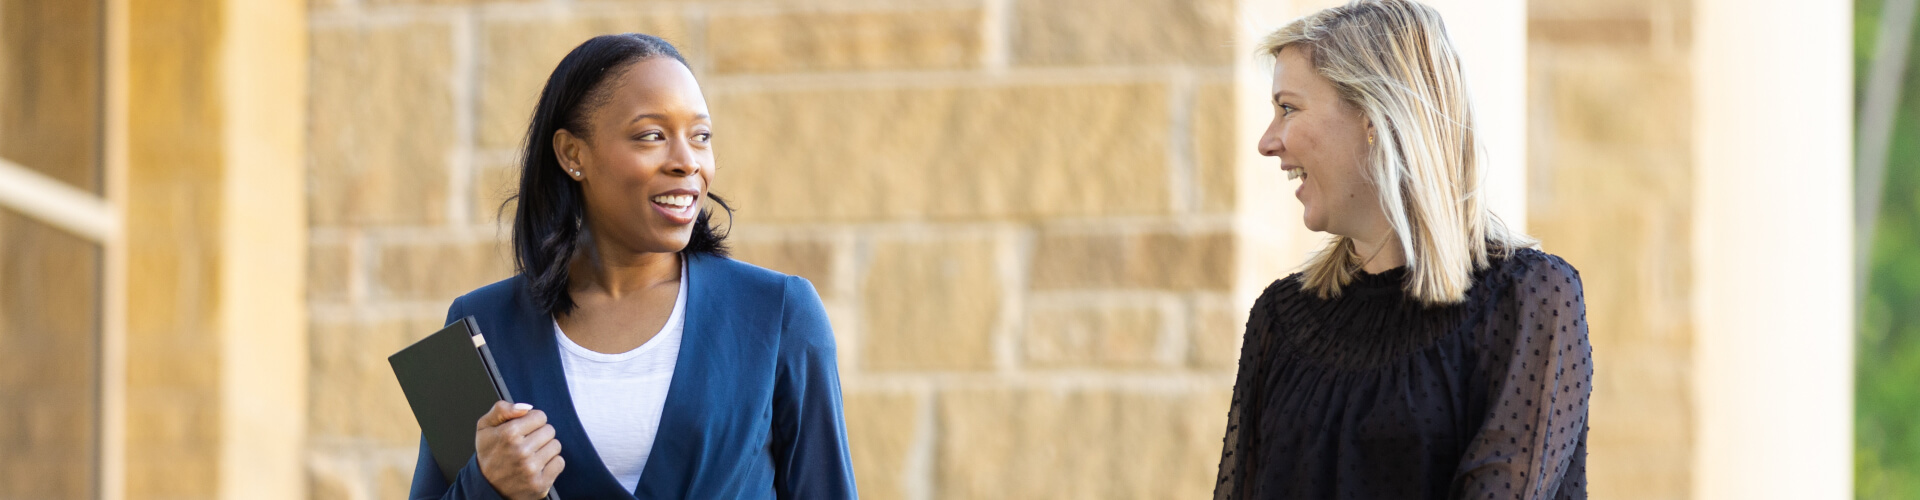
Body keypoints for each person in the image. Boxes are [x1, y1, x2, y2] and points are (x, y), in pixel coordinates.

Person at [408, 33, 857, 499]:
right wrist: (486, 484)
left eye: (700, 136)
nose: (687, 162)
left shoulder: (778, 314)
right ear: (572, 154)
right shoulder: (484, 326)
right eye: (651, 136)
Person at [1213, 1, 1592, 499]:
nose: (1268, 142)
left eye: (1288, 107)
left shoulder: (1527, 299)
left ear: (1374, 115)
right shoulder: (1280, 320)